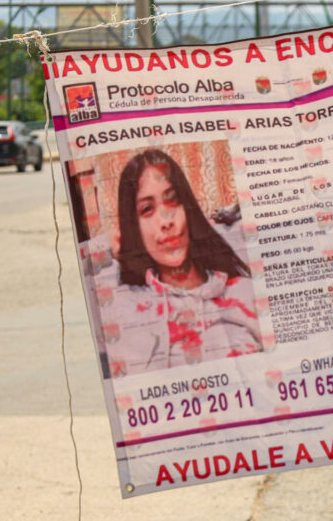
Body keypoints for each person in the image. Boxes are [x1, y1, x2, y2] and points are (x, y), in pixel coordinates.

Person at [105, 148, 261, 374]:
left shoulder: (244, 293)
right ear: (133, 227)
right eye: (147, 209)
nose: (166, 221)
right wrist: (111, 247)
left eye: (172, 201)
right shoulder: (128, 307)